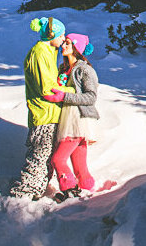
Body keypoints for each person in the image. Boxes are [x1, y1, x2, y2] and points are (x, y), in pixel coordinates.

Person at [44, 32, 112, 201]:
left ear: (76, 48)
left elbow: (91, 97)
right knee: (79, 163)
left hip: (77, 120)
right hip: (67, 118)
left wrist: (64, 96)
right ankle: (87, 188)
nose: (63, 46)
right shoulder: (64, 68)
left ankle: (69, 189)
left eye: (67, 43)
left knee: (58, 159)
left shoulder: (85, 70)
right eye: (64, 42)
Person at [9, 16, 67, 199]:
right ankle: (24, 192)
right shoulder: (39, 52)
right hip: (43, 114)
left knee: (47, 154)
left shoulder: (49, 51)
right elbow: (46, 89)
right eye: (61, 34)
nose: (64, 38)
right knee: (40, 155)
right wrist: (70, 91)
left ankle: (37, 189)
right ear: (51, 34)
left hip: (51, 113)